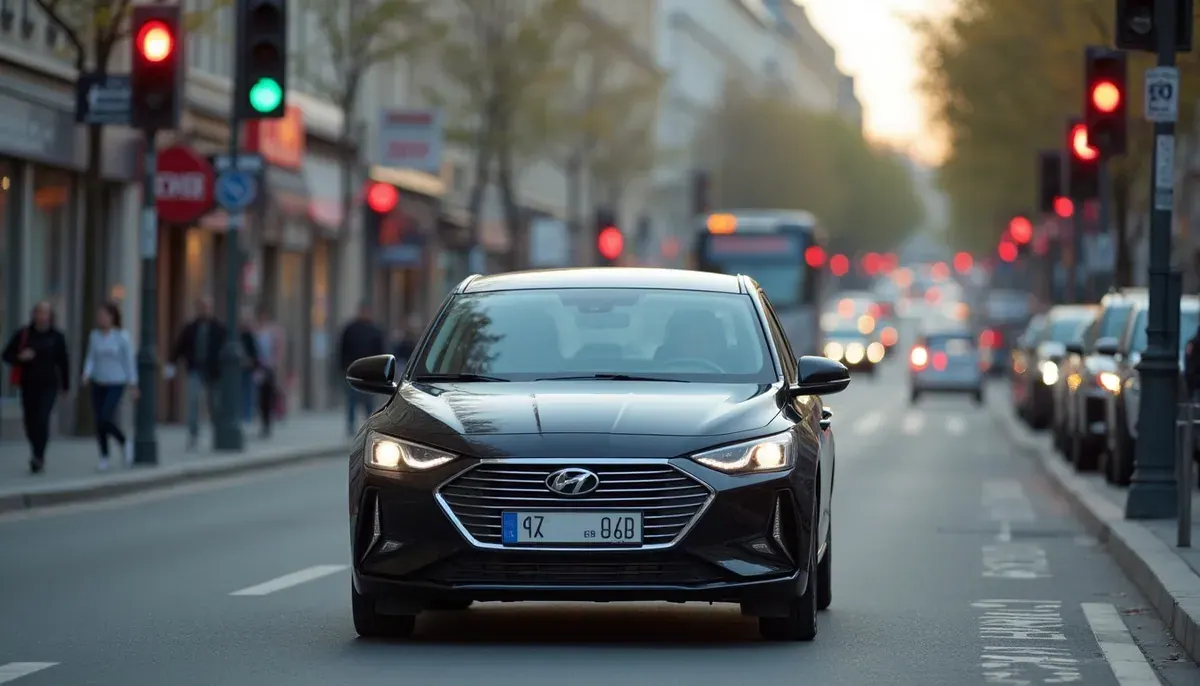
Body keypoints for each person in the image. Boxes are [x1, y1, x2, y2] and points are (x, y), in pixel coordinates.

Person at [1, 301, 70, 474]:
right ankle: (35, 450)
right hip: (28, 385)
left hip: (49, 385)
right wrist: (20, 358)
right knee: (30, 421)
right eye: (38, 312)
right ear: (34, 315)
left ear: (50, 316)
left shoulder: (56, 337)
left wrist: (65, 386)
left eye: (45, 312)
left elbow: (63, 362)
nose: (41, 316)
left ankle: (38, 456)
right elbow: (6, 355)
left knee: (42, 418)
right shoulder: (24, 334)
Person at [81, 301, 138, 471]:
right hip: (99, 381)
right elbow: (91, 357)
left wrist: (133, 384)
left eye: (105, 315)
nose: (101, 318)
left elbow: (129, 361)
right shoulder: (94, 336)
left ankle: (124, 442)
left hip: (116, 382)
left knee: (106, 416)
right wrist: (86, 373)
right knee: (99, 421)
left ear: (112, 317)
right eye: (99, 315)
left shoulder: (122, 337)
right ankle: (104, 456)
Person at [170, 296, 226, 450]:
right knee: (193, 401)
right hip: (195, 369)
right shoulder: (191, 328)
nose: (204, 310)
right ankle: (193, 434)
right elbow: (180, 346)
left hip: (213, 372)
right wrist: (172, 363)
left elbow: (225, 349)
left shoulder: (218, 328)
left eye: (207, 307)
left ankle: (218, 432)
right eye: (201, 307)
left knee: (214, 403)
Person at [339, 302, 385, 435]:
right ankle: (351, 426)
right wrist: (343, 368)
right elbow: (343, 349)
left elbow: (380, 352)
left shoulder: (374, 330)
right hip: (353, 370)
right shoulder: (351, 329)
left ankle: (369, 426)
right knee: (352, 400)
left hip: (369, 372)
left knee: (368, 401)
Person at [253, 307, 284, 438]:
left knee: (268, 396)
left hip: (270, 368)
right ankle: (262, 422)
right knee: (260, 397)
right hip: (258, 368)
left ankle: (267, 423)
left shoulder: (274, 330)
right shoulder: (255, 330)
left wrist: (275, 362)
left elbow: (279, 349)